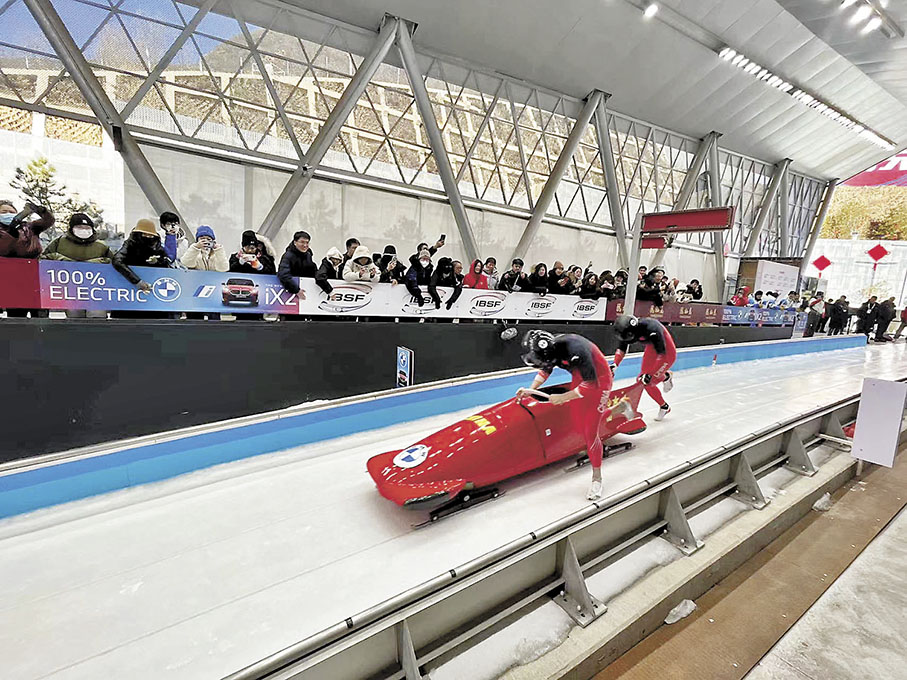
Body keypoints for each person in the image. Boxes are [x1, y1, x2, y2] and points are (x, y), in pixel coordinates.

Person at [517, 330, 616, 501]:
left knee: (590, 433)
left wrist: (563, 397)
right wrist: (531, 390)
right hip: (580, 378)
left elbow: (591, 384)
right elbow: (545, 370)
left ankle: (596, 479)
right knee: (578, 424)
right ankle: (619, 409)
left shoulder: (575, 349)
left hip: (599, 380)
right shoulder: (550, 350)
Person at [612, 314, 676, 421]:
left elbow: (662, 354)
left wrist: (650, 375)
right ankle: (666, 377)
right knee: (641, 380)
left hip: (666, 352)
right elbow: (622, 348)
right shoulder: (627, 329)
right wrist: (615, 364)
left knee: (648, 381)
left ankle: (664, 406)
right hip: (651, 347)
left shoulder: (652, 329)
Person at [112, 218, 172, 291]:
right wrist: (137, 281)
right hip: (129, 285)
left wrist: (157, 262)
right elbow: (117, 260)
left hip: (154, 285)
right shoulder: (130, 245)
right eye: (144, 234)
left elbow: (168, 267)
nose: (147, 237)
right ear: (138, 234)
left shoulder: (157, 247)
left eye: (150, 235)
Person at [42, 213, 114, 263]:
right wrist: (57, 257)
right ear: (71, 228)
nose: (84, 230)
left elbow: (114, 265)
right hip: (62, 283)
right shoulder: (59, 242)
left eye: (87, 228)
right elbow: (42, 261)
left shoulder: (101, 246)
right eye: (79, 227)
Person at [277, 230, 317, 298]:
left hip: (307, 291)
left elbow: (313, 273)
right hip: (290, 293)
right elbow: (283, 275)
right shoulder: (288, 256)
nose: (305, 245)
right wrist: (296, 290)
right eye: (302, 242)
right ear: (295, 242)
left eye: (307, 243)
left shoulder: (308, 255)